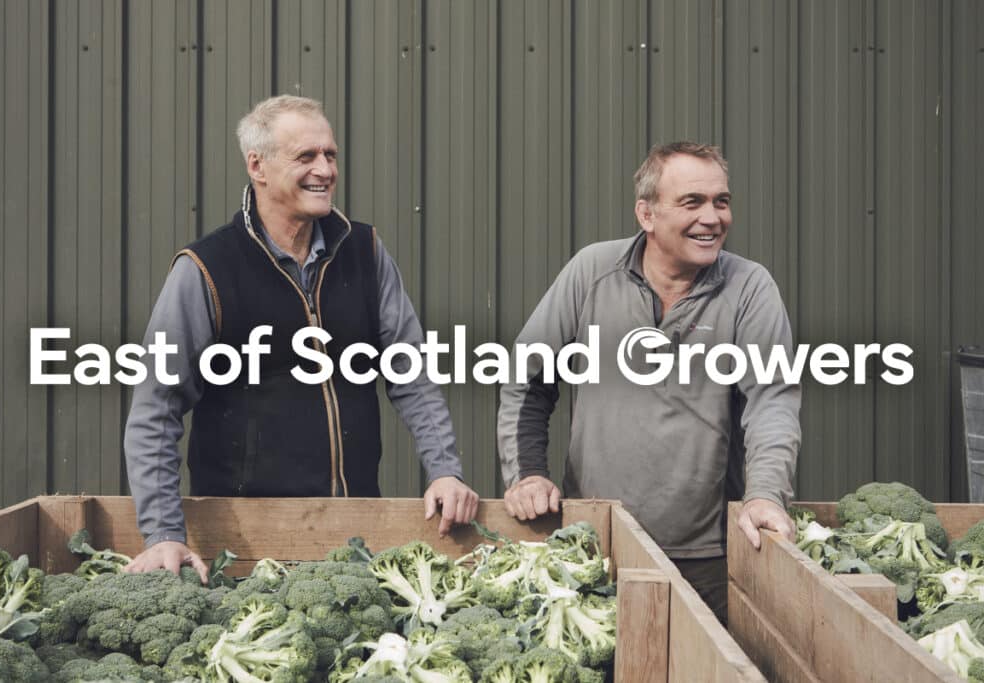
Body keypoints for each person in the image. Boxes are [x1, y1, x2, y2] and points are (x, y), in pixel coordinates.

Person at [123, 95, 479, 580]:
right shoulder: (205, 270)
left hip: (353, 534)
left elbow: (410, 375)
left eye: (330, 155)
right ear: (258, 166)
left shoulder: (365, 251)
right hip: (245, 544)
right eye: (306, 156)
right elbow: (155, 408)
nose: (325, 169)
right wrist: (163, 532)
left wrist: (444, 470)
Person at [496, 142, 800, 620]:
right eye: (692, 202)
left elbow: (772, 403)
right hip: (595, 545)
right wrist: (528, 473)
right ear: (647, 214)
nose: (713, 217)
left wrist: (764, 494)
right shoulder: (592, 272)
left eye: (721, 201)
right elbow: (528, 377)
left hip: (708, 556)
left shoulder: (749, 288)